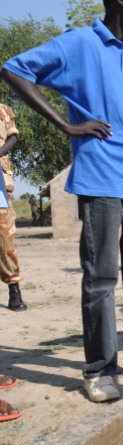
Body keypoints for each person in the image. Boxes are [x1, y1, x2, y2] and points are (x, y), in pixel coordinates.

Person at [1, 0, 123, 403]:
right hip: (101, 176)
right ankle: (99, 371)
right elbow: (14, 69)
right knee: (101, 278)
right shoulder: (80, 43)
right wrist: (67, 125)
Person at [0, 102, 26, 312]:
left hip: (0, 180)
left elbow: (13, 136)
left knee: (5, 237)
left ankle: (14, 290)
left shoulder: (5, 110)